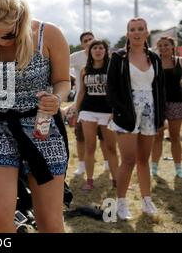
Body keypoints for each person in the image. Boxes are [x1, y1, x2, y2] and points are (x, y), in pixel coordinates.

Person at [0, 0, 70, 233]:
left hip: (42, 128)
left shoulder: (49, 35)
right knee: (0, 220)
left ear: (21, 21)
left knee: (50, 223)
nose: (0, 41)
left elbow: (63, 81)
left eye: (8, 35)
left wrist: (57, 98)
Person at [106, 17, 165, 220]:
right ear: (128, 33)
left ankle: (147, 200)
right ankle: (121, 203)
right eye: (133, 29)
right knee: (129, 160)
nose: (137, 32)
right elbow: (110, 89)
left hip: (150, 112)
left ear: (147, 32)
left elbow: (160, 89)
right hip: (127, 114)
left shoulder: (155, 59)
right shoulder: (118, 57)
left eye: (141, 29)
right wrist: (120, 109)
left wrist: (161, 116)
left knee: (143, 160)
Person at [75, 40, 118, 190]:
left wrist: (115, 111)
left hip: (108, 112)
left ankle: (116, 180)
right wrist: (76, 110)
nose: (98, 50)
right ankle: (90, 180)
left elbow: (117, 93)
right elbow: (81, 92)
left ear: (106, 51)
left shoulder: (112, 68)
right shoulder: (84, 70)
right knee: (90, 146)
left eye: (101, 48)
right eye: (95, 48)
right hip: (88, 110)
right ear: (90, 51)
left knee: (111, 147)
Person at [68, 32, 109, 176]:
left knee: (104, 138)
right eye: (85, 40)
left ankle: (107, 163)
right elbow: (62, 65)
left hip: (104, 106)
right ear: (82, 44)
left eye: (91, 39)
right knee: (81, 138)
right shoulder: (77, 57)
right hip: (83, 103)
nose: (88, 42)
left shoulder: (103, 56)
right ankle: (81, 164)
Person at [151, 36, 182, 178]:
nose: (163, 48)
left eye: (166, 45)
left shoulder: (179, 62)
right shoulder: (153, 62)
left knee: (175, 137)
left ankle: (178, 168)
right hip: (158, 104)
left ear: (172, 46)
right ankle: (154, 168)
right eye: (160, 45)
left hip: (176, 103)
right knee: (158, 137)